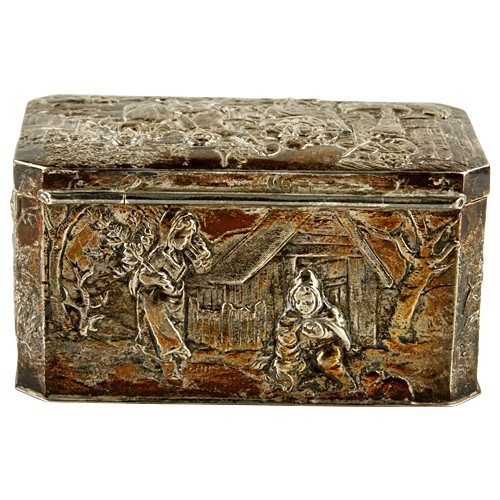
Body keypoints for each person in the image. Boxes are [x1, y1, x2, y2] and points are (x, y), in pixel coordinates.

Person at [133, 211, 211, 378]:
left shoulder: (181, 255)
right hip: (155, 299)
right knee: (164, 331)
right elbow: (143, 276)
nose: (186, 241)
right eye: (182, 236)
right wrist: (156, 279)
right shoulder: (160, 255)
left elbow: (200, 269)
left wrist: (202, 257)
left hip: (174, 299)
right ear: (170, 234)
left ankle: (172, 365)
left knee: (174, 329)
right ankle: (169, 364)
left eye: (189, 237)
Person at [270, 269, 355, 391]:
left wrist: (323, 333)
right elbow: (281, 330)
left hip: (325, 347)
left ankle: (347, 384)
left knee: (327, 361)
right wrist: (288, 336)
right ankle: (288, 384)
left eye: (308, 302)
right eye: (298, 302)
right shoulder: (291, 316)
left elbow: (339, 332)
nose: (302, 306)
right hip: (299, 351)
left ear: (318, 299)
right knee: (286, 359)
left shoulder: (329, 314)